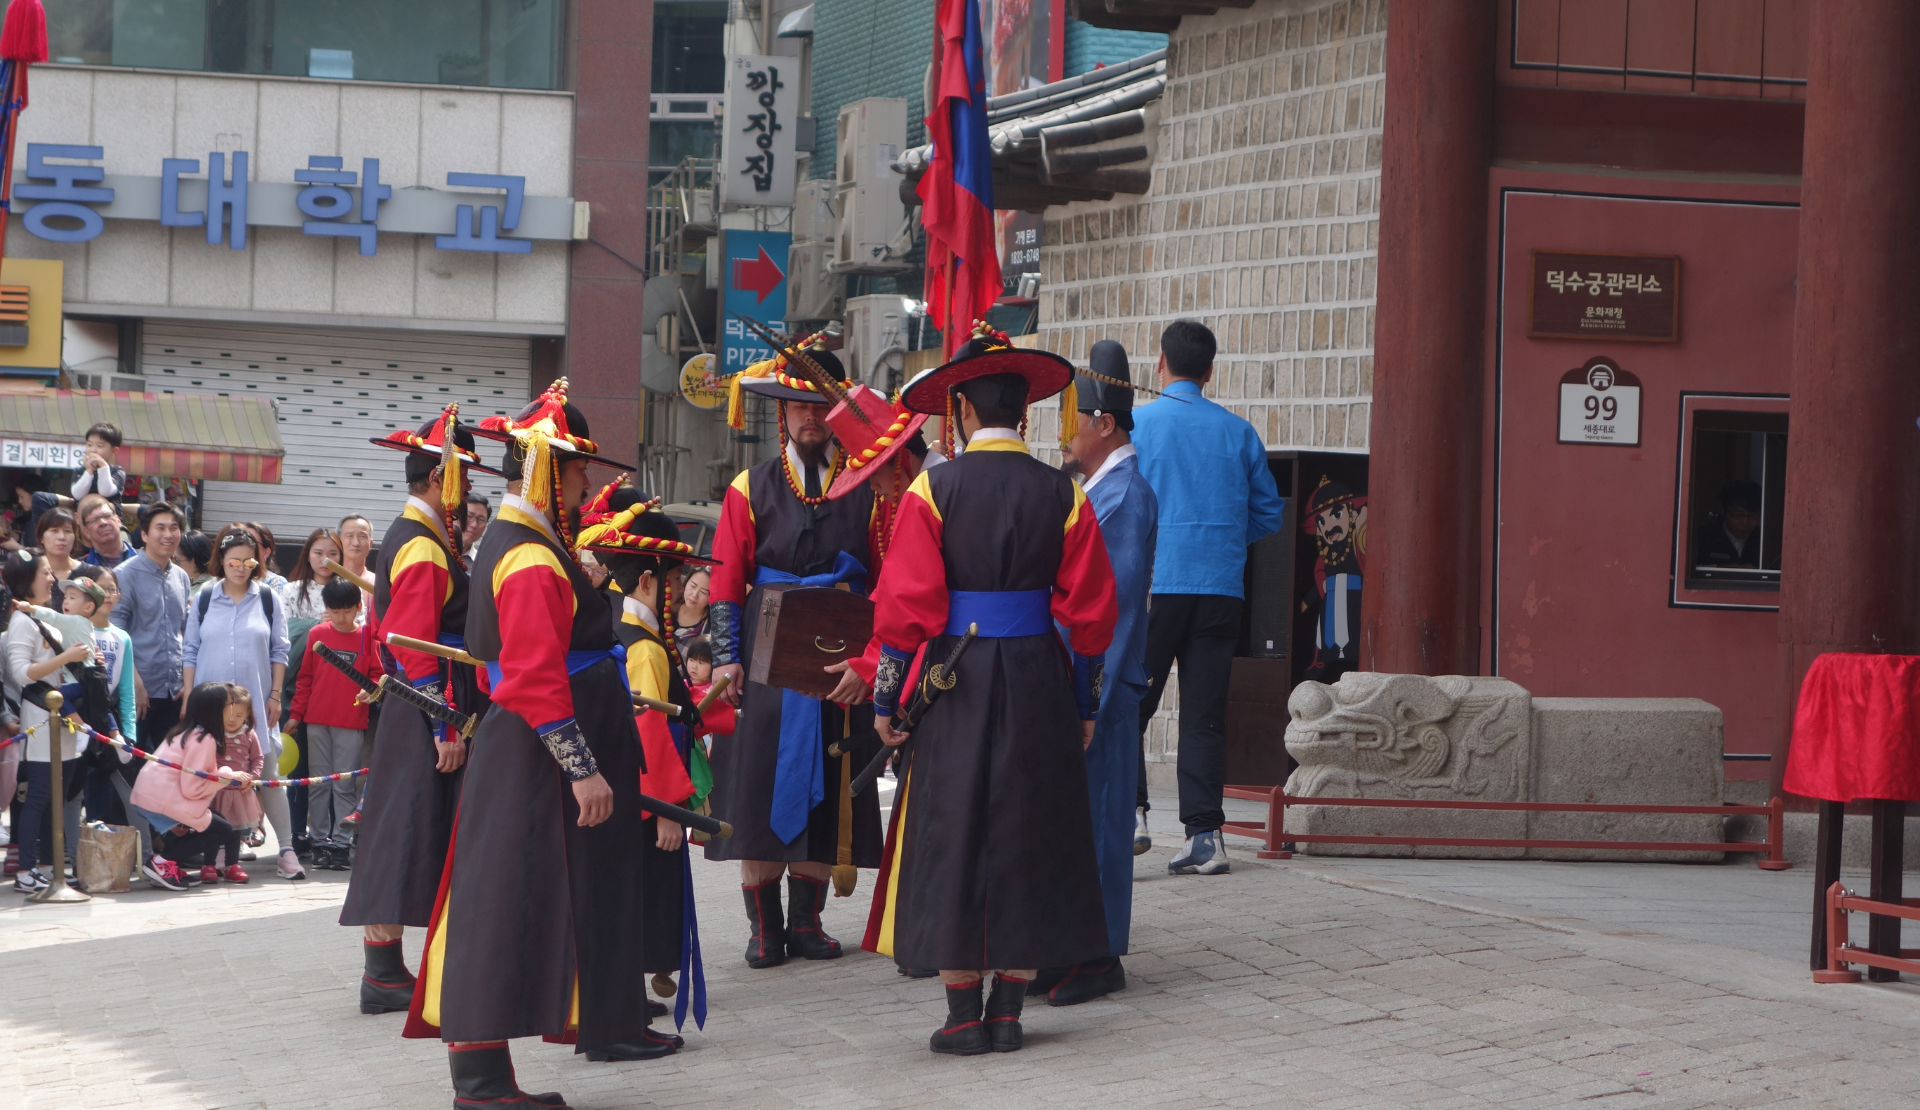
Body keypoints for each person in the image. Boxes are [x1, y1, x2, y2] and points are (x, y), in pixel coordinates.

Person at [863, 323, 1118, 1055]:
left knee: (955, 830)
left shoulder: (933, 488)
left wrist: (886, 700)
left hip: (958, 676)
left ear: (964, 410)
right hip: (1038, 675)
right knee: (1027, 830)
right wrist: (1085, 703)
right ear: (1025, 412)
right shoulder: (1064, 492)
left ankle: (961, 1015)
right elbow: (1091, 615)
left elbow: (904, 609)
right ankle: (1008, 1011)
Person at [406, 381, 660, 1106]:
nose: (585, 484)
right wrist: (582, 768)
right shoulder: (528, 555)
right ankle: (482, 1083)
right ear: (550, 469)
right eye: (578, 469)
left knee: (506, 897)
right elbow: (534, 674)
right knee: (500, 902)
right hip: (530, 749)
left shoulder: (526, 542)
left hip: (525, 745)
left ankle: (491, 1076)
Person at [706, 335, 882, 970]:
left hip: (838, 648)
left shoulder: (866, 485)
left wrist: (873, 659)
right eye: (798, 406)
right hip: (764, 651)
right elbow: (725, 581)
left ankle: (807, 922)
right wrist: (725, 658)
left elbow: (886, 579)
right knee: (759, 780)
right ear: (781, 411)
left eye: (820, 407)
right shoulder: (748, 486)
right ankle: (765, 927)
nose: (810, 417)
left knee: (829, 775)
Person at [340, 404, 498, 1014]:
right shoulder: (424, 545)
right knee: (404, 828)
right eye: (463, 475)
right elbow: (412, 644)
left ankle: (387, 971)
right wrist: (444, 723)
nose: (467, 488)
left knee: (406, 826)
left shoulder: (420, 536)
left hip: (422, 700)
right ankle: (382, 974)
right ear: (439, 478)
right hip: (428, 702)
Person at [1030, 342, 1160, 1006]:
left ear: (1104, 423)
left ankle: (1100, 953)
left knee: (1102, 824)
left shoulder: (1124, 496)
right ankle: (1068, 946)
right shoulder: (1099, 490)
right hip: (1081, 679)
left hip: (1100, 685)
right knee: (1074, 822)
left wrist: (1089, 698)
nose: (1065, 433)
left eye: (1071, 419)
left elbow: (1114, 614)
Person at [1130, 320, 1284, 877]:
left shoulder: (1137, 425)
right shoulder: (1239, 432)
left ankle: (1131, 816)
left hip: (1156, 586)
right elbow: (1268, 513)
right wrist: (1222, 541)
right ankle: (1205, 837)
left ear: (1160, 364)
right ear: (1210, 371)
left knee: (1131, 704)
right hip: (1220, 587)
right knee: (1203, 716)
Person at [579, 483, 718, 1032]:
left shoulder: (618, 622)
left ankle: (629, 995)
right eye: (673, 580)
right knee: (635, 895)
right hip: (641, 795)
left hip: (625, 788)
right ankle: (623, 1002)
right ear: (646, 580)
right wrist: (665, 809)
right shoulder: (639, 643)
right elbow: (647, 728)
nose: (679, 589)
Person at [182, 527, 299, 880]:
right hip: (209, 706)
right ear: (221, 559)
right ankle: (216, 848)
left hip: (256, 706)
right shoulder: (204, 597)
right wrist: (188, 696)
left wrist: (275, 695)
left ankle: (287, 850)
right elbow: (190, 650)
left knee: (269, 773)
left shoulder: (267, 598)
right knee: (211, 775)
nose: (240, 567)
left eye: (248, 561)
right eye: (233, 560)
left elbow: (280, 650)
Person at [5, 551, 100, 892]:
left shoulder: (42, 617)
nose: (51, 579)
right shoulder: (21, 620)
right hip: (41, 719)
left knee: (57, 798)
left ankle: (50, 864)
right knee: (40, 795)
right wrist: (67, 657)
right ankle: (25, 870)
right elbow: (22, 674)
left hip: (64, 720)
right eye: (44, 572)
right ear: (26, 579)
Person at [289, 577, 379, 871]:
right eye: (335, 611)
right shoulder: (317, 633)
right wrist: (296, 715)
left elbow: (378, 675)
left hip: (351, 721)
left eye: (347, 611)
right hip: (317, 721)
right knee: (318, 783)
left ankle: (341, 843)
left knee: (344, 784)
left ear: (358, 607)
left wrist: (371, 688)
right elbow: (305, 678)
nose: (341, 618)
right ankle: (319, 842)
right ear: (327, 608)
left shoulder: (367, 637)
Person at [128, 683, 247, 893]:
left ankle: (166, 867)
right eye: (228, 705)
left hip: (152, 794)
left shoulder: (185, 730)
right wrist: (228, 775)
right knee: (221, 830)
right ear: (215, 710)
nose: (232, 711)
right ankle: (161, 863)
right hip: (163, 798)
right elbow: (192, 787)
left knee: (216, 820)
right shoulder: (204, 738)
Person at [111, 503, 192, 768]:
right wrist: (135, 683)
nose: (168, 534)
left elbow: (184, 631)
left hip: (173, 691)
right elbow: (116, 633)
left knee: (170, 769)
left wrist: (187, 683)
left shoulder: (181, 576)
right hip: (138, 689)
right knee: (130, 767)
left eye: (174, 528)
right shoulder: (124, 575)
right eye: (161, 528)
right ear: (144, 534)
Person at [207, 684, 263, 883]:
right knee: (212, 829)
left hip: (240, 792)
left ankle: (232, 864)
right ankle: (208, 864)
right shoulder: (212, 733)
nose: (232, 720)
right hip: (216, 791)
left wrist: (252, 777)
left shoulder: (249, 734)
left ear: (247, 714)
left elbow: (258, 758)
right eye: (228, 714)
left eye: (238, 715)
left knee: (235, 831)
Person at [281, 528, 346, 621]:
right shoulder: (290, 590)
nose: (325, 560)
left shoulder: (351, 590)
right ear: (308, 555)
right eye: (318, 553)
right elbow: (282, 626)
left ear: (340, 557)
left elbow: (360, 626)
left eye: (332, 554)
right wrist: (318, 625)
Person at [1696, 479, 1763, 568]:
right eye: (1738, 514)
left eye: (1752, 516)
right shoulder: (1704, 537)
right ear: (1725, 511)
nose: (1745, 522)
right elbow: (1689, 569)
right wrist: (1721, 569)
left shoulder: (1763, 540)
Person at [683, 639, 734, 742]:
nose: (694, 666)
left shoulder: (715, 690)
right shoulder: (682, 685)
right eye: (691, 660)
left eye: (701, 662)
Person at [72, 422, 128, 507]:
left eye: (99, 446)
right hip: (83, 515)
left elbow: (105, 492)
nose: (93, 450)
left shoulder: (117, 471)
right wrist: (89, 471)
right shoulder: (79, 470)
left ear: (114, 451)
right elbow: (78, 495)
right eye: (89, 445)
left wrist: (103, 466)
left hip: (109, 515)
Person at [337, 514, 376, 624]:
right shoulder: (326, 579)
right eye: (349, 536)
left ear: (370, 543)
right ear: (338, 541)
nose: (355, 543)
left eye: (362, 536)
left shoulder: (379, 583)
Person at [77, 494, 135, 567]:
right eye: (94, 520)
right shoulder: (79, 568)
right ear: (86, 531)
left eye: (107, 516)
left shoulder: (144, 561)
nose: (103, 522)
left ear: (118, 520)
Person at [36, 506, 80, 592]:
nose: (61, 537)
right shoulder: (32, 574)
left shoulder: (89, 573)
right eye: (54, 530)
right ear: (41, 537)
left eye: (67, 531)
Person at [671, 565, 710, 657]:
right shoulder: (669, 605)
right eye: (693, 586)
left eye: (703, 592)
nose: (694, 595)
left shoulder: (709, 628)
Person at [462, 493, 489, 559]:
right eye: (469, 516)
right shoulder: (438, 553)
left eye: (481, 520)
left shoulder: (481, 562)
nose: (474, 525)